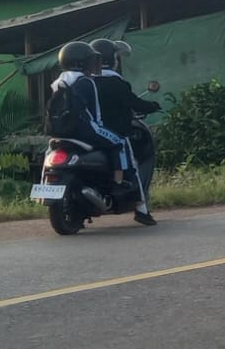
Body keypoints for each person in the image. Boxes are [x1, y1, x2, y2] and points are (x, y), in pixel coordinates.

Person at [50, 40, 154, 225]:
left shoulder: (59, 82)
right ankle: (125, 188)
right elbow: (94, 113)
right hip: (89, 128)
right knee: (120, 143)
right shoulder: (89, 82)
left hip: (62, 131)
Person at [91, 38, 162, 223]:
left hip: (87, 134)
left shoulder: (84, 82)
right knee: (132, 166)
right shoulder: (116, 83)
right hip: (114, 133)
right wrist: (153, 106)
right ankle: (141, 210)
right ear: (111, 59)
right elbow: (134, 103)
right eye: (116, 57)